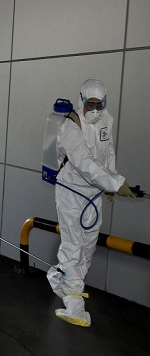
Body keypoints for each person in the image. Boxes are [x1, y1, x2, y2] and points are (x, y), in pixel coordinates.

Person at [45, 78, 135, 327]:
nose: (95, 109)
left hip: (94, 193)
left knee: (88, 246)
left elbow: (108, 152)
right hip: (72, 191)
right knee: (73, 246)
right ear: (81, 100)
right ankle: (74, 302)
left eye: (100, 104)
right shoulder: (70, 127)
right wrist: (115, 183)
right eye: (90, 104)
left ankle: (62, 279)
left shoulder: (106, 120)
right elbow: (84, 164)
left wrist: (110, 182)